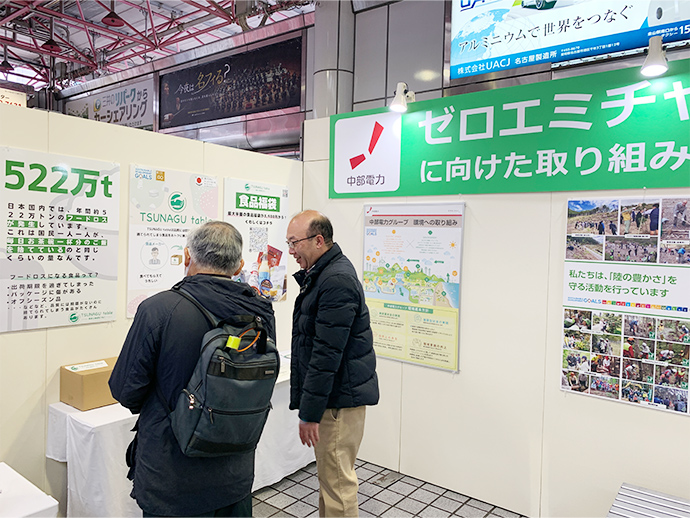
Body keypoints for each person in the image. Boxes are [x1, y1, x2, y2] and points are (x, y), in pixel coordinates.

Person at [109, 221, 275, 517]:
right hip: (234, 470)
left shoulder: (159, 310)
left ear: (187, 257)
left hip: (173, 475)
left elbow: (125, 391)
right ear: (238, 267)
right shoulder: (260, 313)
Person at [286, 210, 379, 518]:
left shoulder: (335, 280)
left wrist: (310, 413)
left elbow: (326, 355)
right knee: (331, 481)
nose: (290, 251)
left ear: (318, 240)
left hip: (337, 403)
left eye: (294, 242)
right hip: (335, 398)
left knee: (338, 486)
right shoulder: (324, 275)